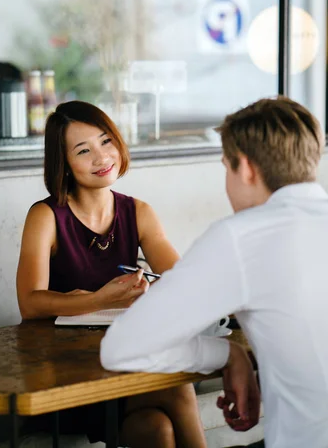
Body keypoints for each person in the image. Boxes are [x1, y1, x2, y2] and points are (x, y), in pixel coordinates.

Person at [101, 96, 328, 448]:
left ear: (248, 169)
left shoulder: (243, 236)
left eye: (226, 167)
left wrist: (226, 353)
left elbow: (121, 347)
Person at [16, 100, 207, 448]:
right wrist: (99, 300)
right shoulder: (45, 217)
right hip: (65, 374)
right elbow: (29, 304)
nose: (102, 158)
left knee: (158, 430)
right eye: (83, 150)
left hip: (123, 362)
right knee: (177, 389)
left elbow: (182, 281)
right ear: (65, 164)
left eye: (106, 141)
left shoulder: (139, 213)